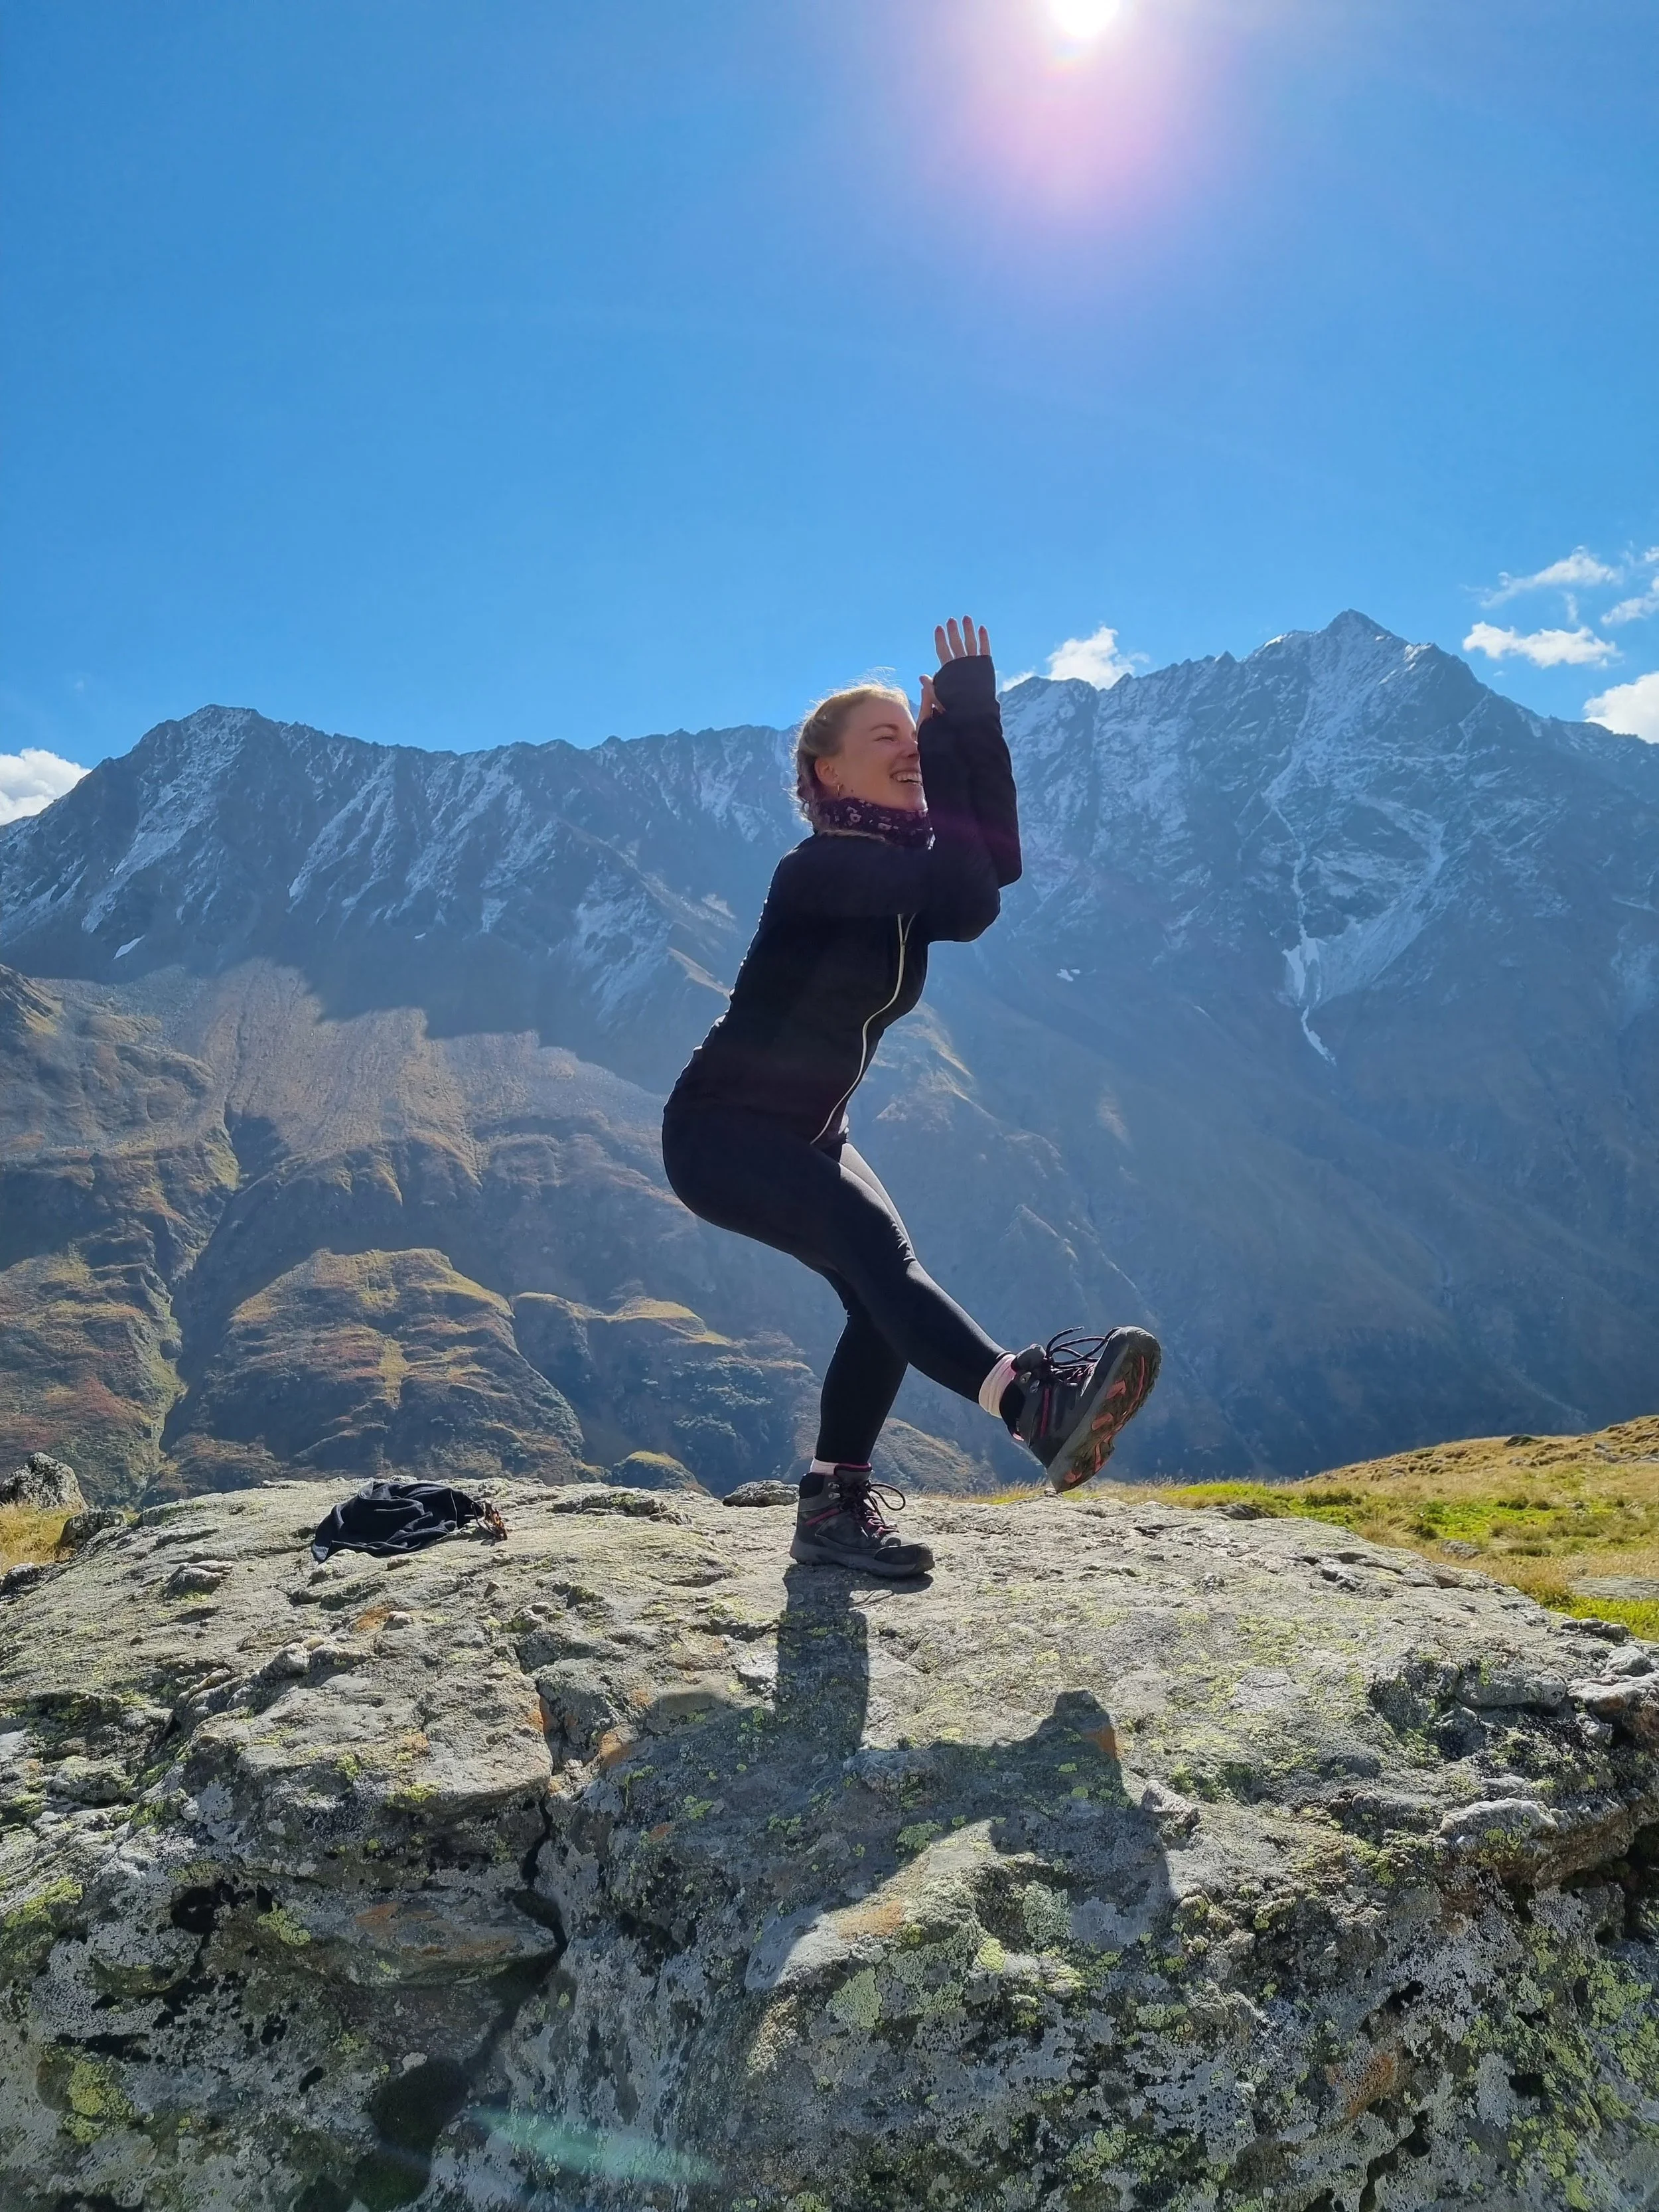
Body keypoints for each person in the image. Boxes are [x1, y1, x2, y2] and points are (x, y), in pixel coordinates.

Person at [662, 617, 1160, 1579]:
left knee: (879, 1294)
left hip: (810, 1133)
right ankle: (1031, 1407)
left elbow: (987, 874)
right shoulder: (820, 871)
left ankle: (832, 1507)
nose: (908, 749)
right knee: (884, 1269)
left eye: (910, 732)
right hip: (723, 1135)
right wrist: (950, 729)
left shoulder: (901, 875)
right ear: (828, 775)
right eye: (885, 738)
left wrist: (969, 715)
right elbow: (962, 879)